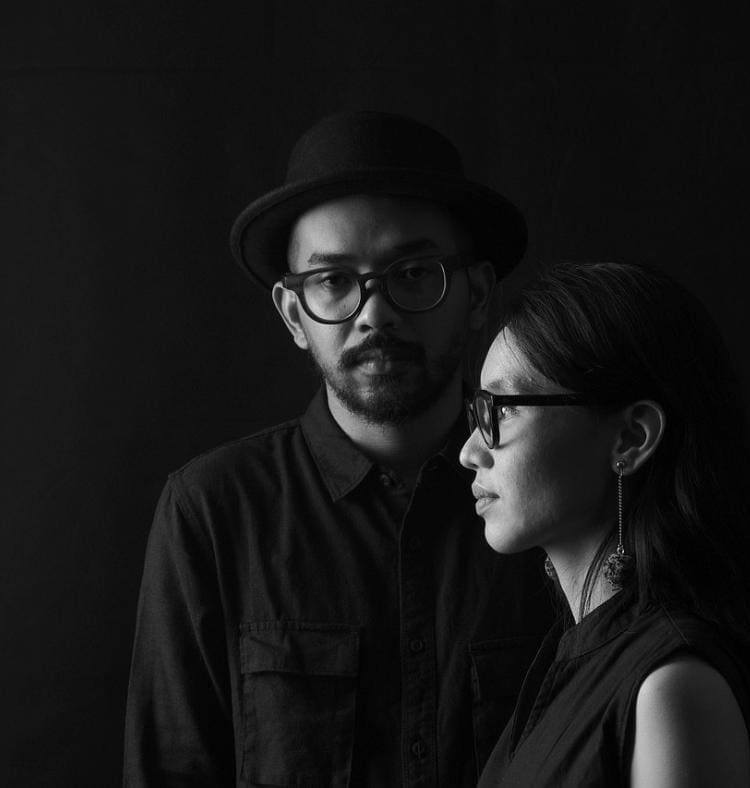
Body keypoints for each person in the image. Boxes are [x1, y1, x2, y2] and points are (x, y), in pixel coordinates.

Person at [123, 111, 555, 787]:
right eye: (332, 282)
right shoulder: (211, 512)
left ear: (476, 294)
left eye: (413, 273)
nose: (374, 314)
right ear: (294, 316)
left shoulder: (557, 494)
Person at [460, 261, 750, 786]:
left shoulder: (670, 687)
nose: (469, 452)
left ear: (631, 438)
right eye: (477, 411)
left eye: (500, 410)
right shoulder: (569, 659)